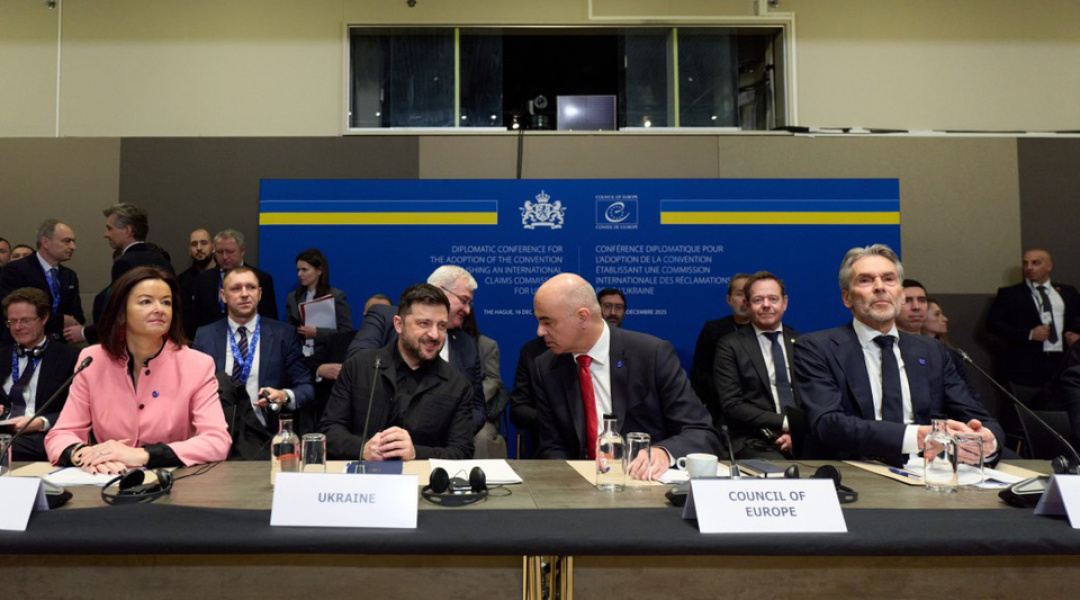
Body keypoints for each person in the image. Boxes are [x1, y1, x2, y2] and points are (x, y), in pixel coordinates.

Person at [793, 244, 1004, 466]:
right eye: (865, 280)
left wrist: (987, 442)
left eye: (888, 279)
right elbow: (827, 424)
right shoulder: (817, 348)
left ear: (901, 295)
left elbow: (978, 417)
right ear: (847, 298)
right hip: (856, 471)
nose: (879, 287)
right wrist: (917, 437)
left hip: (929, 471)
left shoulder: (932, 351)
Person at [530, 273, 720, 480]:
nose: (540, 331)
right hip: (579, 485)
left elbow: (701, 431)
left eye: (548, 322)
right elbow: (552, 446)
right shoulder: (546, 367)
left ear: (582, 317)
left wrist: (664, 453)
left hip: (645, 482)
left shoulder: (651, 355)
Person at [44, 267, 230, 473]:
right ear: (121, 313)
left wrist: (141, 455)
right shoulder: (93, 360)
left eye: (166, 302)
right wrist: (86, 455)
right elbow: (60, 434)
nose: (159, 309)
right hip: (107, 478)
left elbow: (217, 441)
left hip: (173, 481)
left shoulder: (196, 364)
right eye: (146, 301)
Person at [320, 283, 475, 460]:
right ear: (399, 324)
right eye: (424, 324)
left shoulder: (458, 386)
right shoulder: (358, 367)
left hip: (423, 477)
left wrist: (416, 453)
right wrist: (363, 448)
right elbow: (329, 431)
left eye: (441, 326)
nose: (434, 334)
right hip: (363, 474)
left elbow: (462, 451)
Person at [346, 265, 485, 433]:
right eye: (463, 300)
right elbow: (358, 364)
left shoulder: (467, 344)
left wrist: (450, 430)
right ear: (440, 290)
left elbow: (477, 407)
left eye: (469, 303)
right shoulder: (385, 317)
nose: (468, 310)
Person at [192, 266, 313, 459]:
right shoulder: (205, 336)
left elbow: (306, 387)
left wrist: (284, 395)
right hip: (218, 437)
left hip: (266, 437)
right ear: (223, 296)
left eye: (251, 287)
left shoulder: (283, 335)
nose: (244, 294)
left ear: (260, 293)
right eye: (236, 288)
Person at [713, 271, 801, 458]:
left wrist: (798, 431)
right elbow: (733, 405)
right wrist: (787, 423)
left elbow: (814, 397)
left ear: (784, 303)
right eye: (758, 300)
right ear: (747, 305)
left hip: (802, 436)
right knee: (780, 470)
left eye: (773, 299)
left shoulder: (801, 343)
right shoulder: (730, 345)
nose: (766, 305)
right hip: (753, 439)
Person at [986, 248, 1080, 400]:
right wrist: (1029, 334)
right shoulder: (1010, 294)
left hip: (1062, 363)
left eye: (1035, 263)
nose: (1029, 267)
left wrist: (1076, 337)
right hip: (1026, 365)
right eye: (1025, 263)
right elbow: (993, 324)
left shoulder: (1068, 292)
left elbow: (1076, 318)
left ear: (1049, 266)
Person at [1, 288, 80, 460]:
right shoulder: (2, 356)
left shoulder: (71, 357)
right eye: (12, 321)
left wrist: (41, 422)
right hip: (4, 431)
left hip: (42, 435)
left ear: (44, 318)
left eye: (25, 320)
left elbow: (82, 410)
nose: (18, 327)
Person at [0, 220, 84, 346]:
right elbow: (12, 311)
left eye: (73, 241)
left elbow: (77, 316)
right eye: (66, 241)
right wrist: (61, 320)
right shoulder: (15, 270)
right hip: (21, 346)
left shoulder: (69, 275)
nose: (73, 247)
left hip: (59, 347)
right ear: (45, 242)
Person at [690, 273, 752, 422]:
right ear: (729, 299)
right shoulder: (713, 329)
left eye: (749, 294)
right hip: (720, 407)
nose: (744, 299)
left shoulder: (769, 331)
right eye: (739, 294)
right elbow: (700, 373)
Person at [192, 229, 277, 328]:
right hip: (211, 335)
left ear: (242, 251)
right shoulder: (203, 279)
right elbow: (196, 318)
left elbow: (270, 319)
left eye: (230, 252)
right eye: (220, 252)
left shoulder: (261, 278)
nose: (224, 257)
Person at [285, 248, 353, 352]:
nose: (299, 274)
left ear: (319, 270)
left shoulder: (336, 296)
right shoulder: (292, 298)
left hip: (327, 354)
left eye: (304, 270)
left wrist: (317, 333)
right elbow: (289, 331)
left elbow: (346, 333)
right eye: (298, 270)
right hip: (299, 354)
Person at [460, 310, 507, 458]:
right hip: (442, 410)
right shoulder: (437, 343)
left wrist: (471, 399)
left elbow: (493, 379)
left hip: (476, 411)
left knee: (482, 438)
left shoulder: (487, 345)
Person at [102, 203, 175, 282]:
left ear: (127, 231)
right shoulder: (162, 261)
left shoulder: (124, 264)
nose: (106, 234)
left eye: (110, 229)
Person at [178, 228, 216, 337]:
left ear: (213, 248)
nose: (199, 248)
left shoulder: (225, 277)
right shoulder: (181, 281)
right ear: (189, 251)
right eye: (194, 244)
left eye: (204, 243)